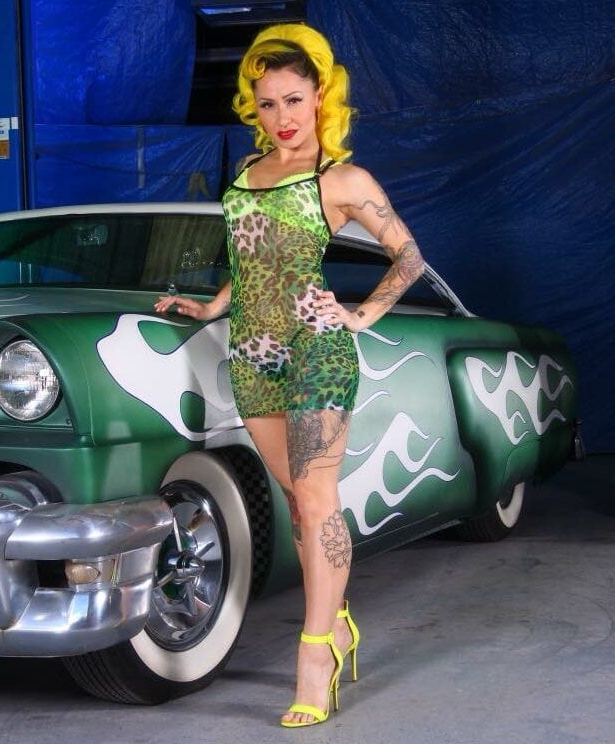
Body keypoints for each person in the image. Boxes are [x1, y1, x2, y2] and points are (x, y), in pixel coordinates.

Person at [155, 22, 425, 727]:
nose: (282, 117)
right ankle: (339, 624)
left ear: (321, 98)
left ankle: (314, 657)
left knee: (316, 497)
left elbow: (408, 257)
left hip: (316, 352)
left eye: (294, 100)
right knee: (300, 507)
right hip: (252, 354)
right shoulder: (248, 171)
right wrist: (210, 306)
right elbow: (251, 258)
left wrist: (359, 315)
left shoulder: (341, 180)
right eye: (268, 102)